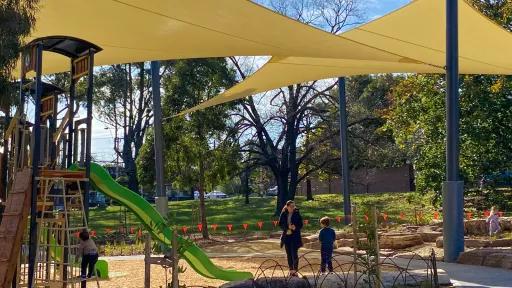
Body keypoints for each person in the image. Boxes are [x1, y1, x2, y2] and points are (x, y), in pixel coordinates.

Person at [279, 200, 303, 277]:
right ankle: (291, 270)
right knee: (288, 254)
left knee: (294, 254)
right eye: (291, 206)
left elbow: (301, 224)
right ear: (287, 206)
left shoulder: (297, 213)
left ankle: (295, 270)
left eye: (294, 206)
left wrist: (295, 227)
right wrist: (287, 227)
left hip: (295, 236)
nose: (293, 208)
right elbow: (281, 224)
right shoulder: (283, 213)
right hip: (287, 236)